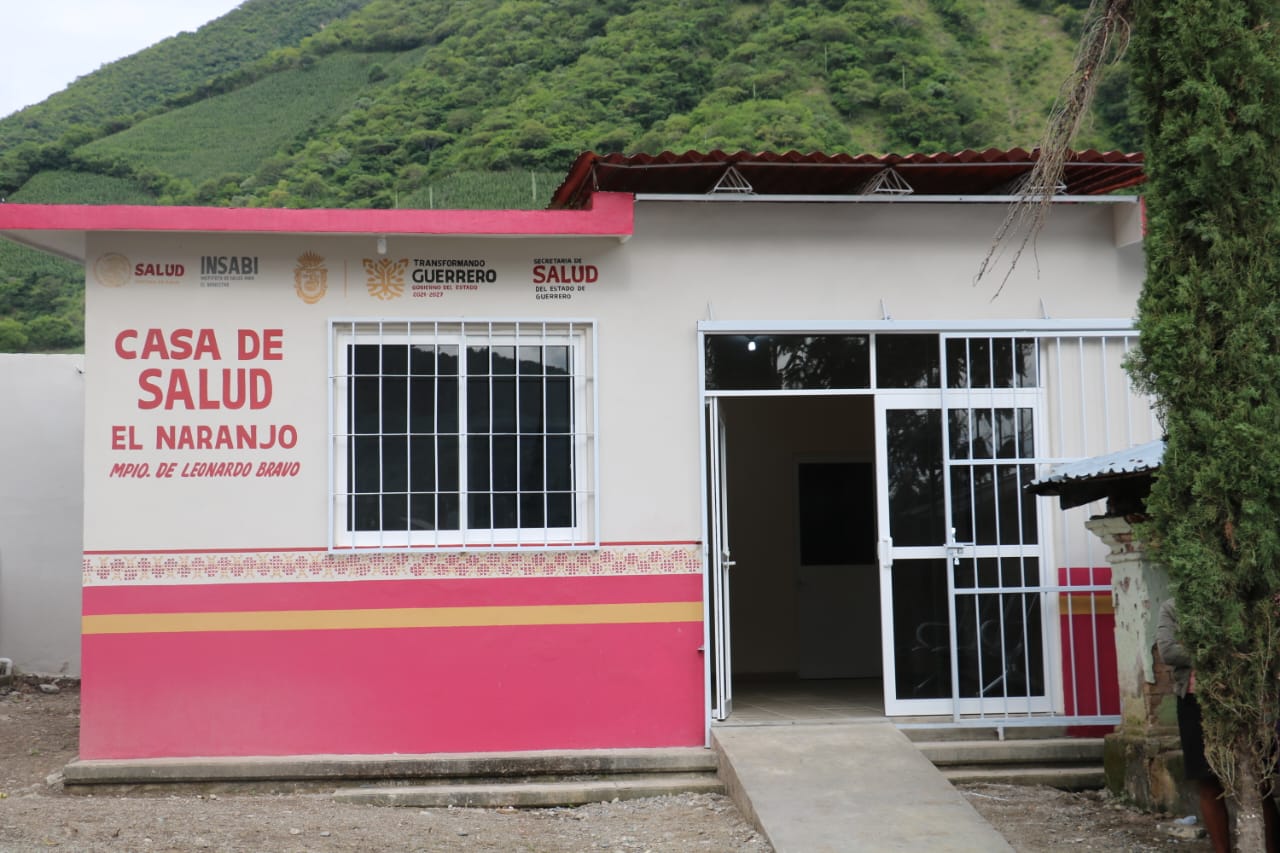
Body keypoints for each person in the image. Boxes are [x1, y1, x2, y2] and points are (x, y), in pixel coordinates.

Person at [1157, 597, 1279, 853]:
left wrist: (1201, 648)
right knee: (1207, 779)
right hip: (1195, 702)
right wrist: (1214, 650)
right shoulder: (1173, 607)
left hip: (1240, 701)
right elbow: (1168, 650)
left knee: (1259, 778)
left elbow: (1253, 645)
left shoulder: (1236, 596)